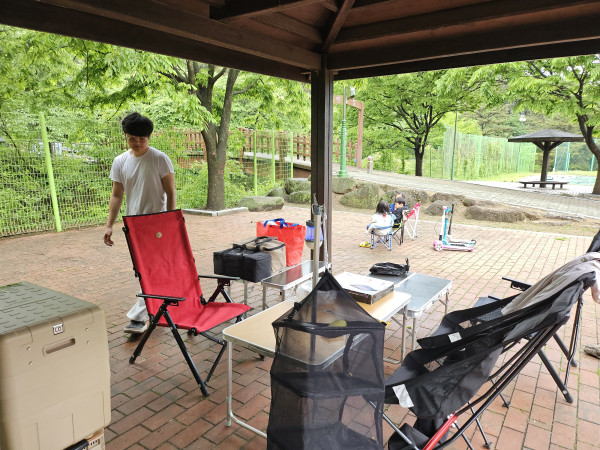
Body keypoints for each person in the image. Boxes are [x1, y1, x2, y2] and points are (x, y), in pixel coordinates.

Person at [104, 112, 176, 335]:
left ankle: (138, 317)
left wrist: (169, 223)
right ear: (126, 136)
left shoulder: (160, 159)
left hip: (157, 225)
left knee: (150, 270)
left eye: (142, 139)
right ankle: (157, 307)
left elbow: (171, 193)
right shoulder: (120, 161)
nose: (137, 142)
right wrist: (109, 225)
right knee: (143, 270)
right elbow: (117, 195)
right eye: (132, 138)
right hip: (133, 225)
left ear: (149, 137)